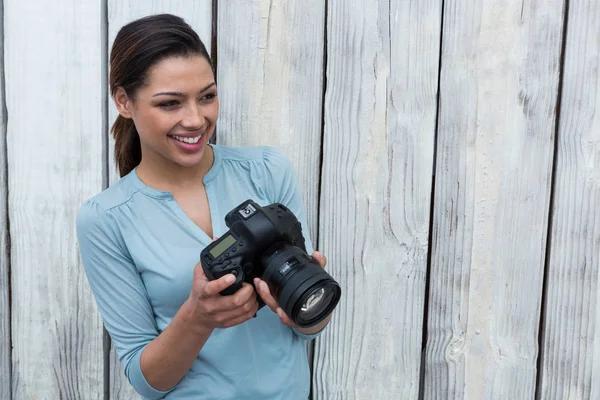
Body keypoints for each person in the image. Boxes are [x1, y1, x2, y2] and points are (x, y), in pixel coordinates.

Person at [76, 13, 332, 400]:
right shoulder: (105, 219)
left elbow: (306, 322)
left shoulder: (267, 170)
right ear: (124, 101)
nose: (196, 119)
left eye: (207, 96)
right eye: (170, 103)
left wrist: (307, 305)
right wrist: (197, 318)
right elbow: (146, 380)